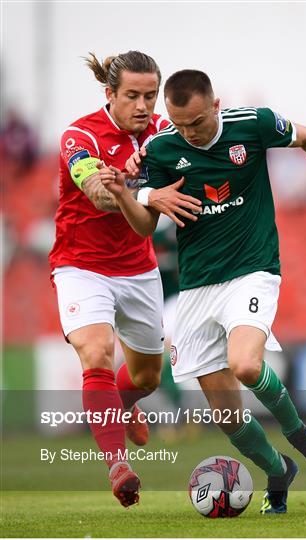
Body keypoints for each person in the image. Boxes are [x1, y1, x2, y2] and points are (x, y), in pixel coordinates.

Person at [98, 69, 306, 514]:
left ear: (215, 105)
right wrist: (128, 194)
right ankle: (278, 471)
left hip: (253, 271)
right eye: (179, 123)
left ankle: (300, 436)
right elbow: (145, 225)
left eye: (197, 122)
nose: (189, 132)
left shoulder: (252, 125)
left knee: (244, 363)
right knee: (226, 416)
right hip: (198, 286)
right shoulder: (161, 150)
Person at [49, 53, 201, 508]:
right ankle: (118, 465)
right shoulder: (79, 136)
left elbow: (150, 217)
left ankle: (124, 402)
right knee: (96, 353)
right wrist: (117, 187)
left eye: (150, 96)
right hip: (81, 264)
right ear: (109, 94)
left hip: (138, 267)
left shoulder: (163, 135)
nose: (142, 105)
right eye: (131, 95)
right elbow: (96, 192)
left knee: (147, 377)